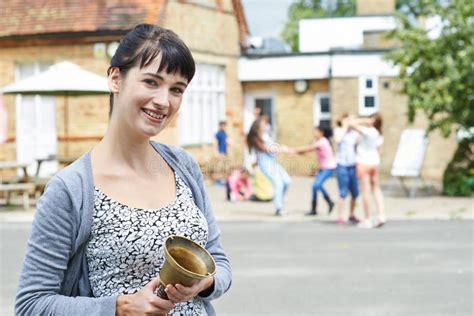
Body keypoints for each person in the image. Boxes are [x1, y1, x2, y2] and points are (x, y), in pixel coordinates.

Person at [15, 24, 231, 316]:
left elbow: (219, 262)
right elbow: (31, 305)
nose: (164, 101)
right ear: (116, 79)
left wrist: (205, 283)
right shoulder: (71, 189)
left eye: (176, 89)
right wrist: (118, 308)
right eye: (151, 82)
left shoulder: (184, 166)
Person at [246, 117, 292, 216]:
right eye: (263, 124)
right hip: (265, 164)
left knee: (287, 180)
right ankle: (279, 208)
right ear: (258, 126)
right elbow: (267, 149)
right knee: (278, 183)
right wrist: (281, 148)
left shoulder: (266, 136)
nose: (266, 126)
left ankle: (279, 199)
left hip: (273, 162)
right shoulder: (256, 138)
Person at [349, 113, 386, 229]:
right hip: (374, 162)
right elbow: (380, 150)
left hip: (363, 162)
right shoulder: (379, 134)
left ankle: (367, 219)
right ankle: (381, 215)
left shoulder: (368, 131)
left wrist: (365, 120)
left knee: (366, 190)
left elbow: (351, 124)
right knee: (376, 189)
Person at [296, 126, 337, 216]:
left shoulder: (323, 141)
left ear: (321, 133)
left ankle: (329, 202)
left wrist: (294, 150)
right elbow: (308, 150)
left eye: (316, 132)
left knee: (316, 185)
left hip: (329, 167)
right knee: (315, 187)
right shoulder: (318, 141)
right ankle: (315, 209)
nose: (314, 134)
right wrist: (299, 152)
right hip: (323, 167)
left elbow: (308, 149)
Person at [333, 114, 360, 225]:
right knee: (343, 192)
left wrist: (355, 125)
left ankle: (352, 214)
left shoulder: (354, 134)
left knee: (355, 192)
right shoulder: (338, 131)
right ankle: (340, 216)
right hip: (342, 165)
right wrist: (345, 127)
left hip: (353, 165)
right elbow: (338, 140)